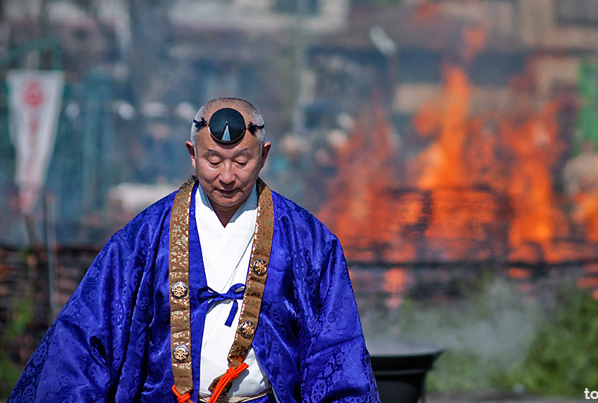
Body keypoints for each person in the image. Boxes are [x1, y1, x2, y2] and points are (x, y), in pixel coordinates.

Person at [9, 98, 380, 402]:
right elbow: (84, 340)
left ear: (264, 156)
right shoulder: (143, 238)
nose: (228, 176)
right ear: (192, 153)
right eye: (213, 160)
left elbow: (337, 353)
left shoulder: (308, 241)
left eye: (242, 160)